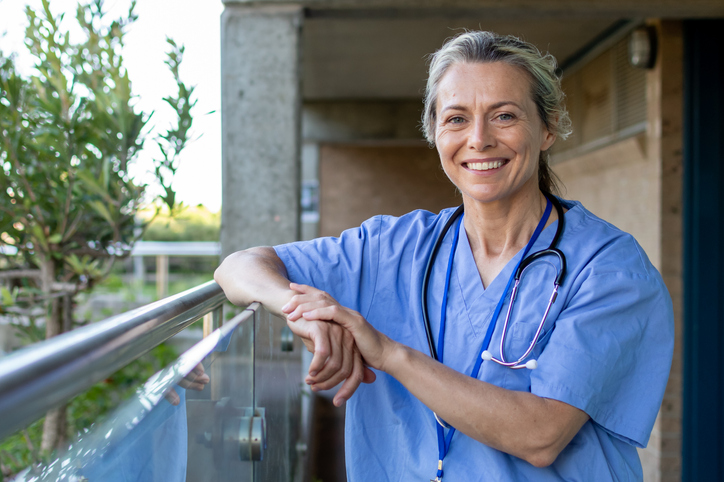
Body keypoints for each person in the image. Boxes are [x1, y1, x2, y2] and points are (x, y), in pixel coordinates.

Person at [215, 31, 674, 481]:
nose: (478, 138)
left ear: (548, 126)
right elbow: (239, 267)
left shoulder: (607, 266)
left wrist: (390, 353)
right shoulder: (391, 249)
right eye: (456, 118)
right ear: (434, 132)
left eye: (504, 116)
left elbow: (542, 435)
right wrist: (302, 314)